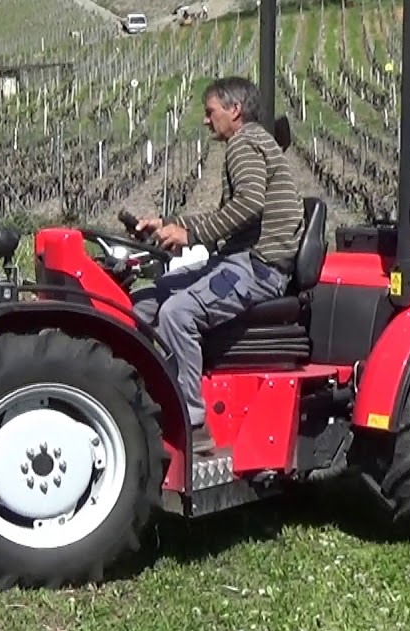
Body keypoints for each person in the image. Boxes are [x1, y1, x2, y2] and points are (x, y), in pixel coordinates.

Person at [130, 76, 304, 455]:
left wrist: (190, 236)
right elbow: (235, 209)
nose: (207, 121)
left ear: (234, 111)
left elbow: (248, 205)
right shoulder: (251, 144)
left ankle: (191, 422)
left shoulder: (245, 144)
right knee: (147, 300)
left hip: (259, 267)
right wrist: (172, 225)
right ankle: (143, 393)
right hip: (237, 259)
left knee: (176, 312)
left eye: (211, 112)